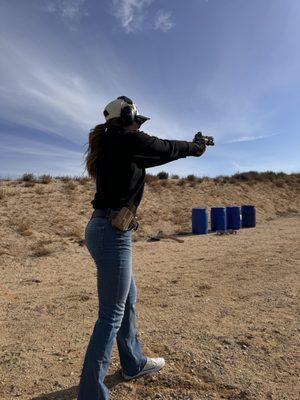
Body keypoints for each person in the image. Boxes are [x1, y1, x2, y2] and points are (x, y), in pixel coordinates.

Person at [77, 95, 208, 400]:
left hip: (105, 230)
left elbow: (155, 151)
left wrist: (190, 147)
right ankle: (91, 394)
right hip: (111, 233)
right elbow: (163, 147)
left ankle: (133, 362)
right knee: (111, 314)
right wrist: (195, 147)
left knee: (127, 299)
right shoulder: (123, 140)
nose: (139, 126)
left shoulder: (114, 143)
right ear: (125, 117)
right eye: (136, 120)